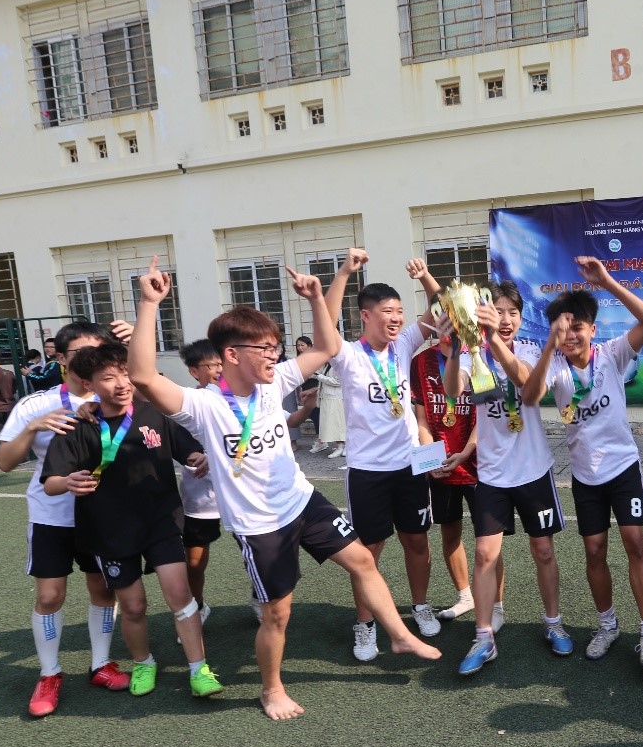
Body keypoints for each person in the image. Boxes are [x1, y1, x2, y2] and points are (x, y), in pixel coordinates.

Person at [128, 256, 440, 720]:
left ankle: (397, 634)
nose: (275, 356)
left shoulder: (276, 383)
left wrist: (316, 297)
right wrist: (149, 303)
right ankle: (271, 690)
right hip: (259, 524)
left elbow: (327, 345)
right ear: (232, 354)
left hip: (302, 500)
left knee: (362, 560)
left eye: (276, 347)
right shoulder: (202, 405)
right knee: (278, 613)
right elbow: (142, 376)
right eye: (265, 348)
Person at [42, 342, 223, 699]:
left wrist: (197, 457)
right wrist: (68, 482)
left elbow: (189, 449)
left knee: (180, 595)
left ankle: (199, 669)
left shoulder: (154, 413)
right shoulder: (78, 426)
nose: (122, 383)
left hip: (160, 522)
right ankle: (143, 662)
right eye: (109, 377)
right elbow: (50, 483)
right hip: (109, 531)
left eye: (125, 373)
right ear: (89, 384)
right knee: (133, 606)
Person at [522, 257, 643, 668]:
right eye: (563, 329)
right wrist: (549, 346)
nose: (571, 336)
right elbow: (530, 397)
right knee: (595, 551)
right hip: (585, 476)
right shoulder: (555, 366)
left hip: (623, 468)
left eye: (577, 327)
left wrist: (606, 281)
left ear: (592, 329)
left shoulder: (612, 353)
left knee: (636, 544)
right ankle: (607, 625)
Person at [0, 320, 135, 717]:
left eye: (99, 351)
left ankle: (101, 663)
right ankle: (49, 673)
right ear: (61, 357)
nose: (91, 358)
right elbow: (4, 462)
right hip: (51, 514)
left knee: (103, 590)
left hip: (102, 515)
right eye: (80, 353)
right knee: (49, 596)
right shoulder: (35, 404)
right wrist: (33, 427)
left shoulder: (121, 395)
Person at [322, 252, 447, 654]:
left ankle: (421, 606)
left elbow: (443, 308)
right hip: (367, 471)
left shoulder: (404, 343)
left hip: (410, 465)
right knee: (368, 553)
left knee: (417, 542)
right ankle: (365, 623)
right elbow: (325, 324)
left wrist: (425, 276)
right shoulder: (347, 355)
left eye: (399, 311)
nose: (396, 318)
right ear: (366, 315)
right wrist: (345, 272)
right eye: (387, 312)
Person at [445, 279, 570, 675]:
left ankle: (553, 622)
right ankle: (484, 637)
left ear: (520, 318)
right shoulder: (474, 354)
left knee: (543, 550)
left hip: (533, 470)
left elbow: (527, 387)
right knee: (485, 553)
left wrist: (492, 341)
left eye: (512, 312)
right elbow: (453, 391)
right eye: (497, 311)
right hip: (493, 474)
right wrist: (456, 349)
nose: (505, 319)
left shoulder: (530, 349)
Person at [411, 328, 479, 623]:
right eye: (444, 316)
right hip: (439, 465)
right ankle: (466, 596)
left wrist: (466, 452)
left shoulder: (479, 357)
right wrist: (430, 460)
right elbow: (422, 419)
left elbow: (487, 415)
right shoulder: (421, 361)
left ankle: (494, 604)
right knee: (449, 533)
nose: (451, 326)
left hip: (478, 463)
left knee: (488, 539)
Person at [177, 340, 225, 626]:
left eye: (221, 363)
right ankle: (197, 605)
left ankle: (260, 598)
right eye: (212, 365)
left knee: (255, 554)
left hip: (241, 494)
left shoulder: (239, 398)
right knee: (194, 561)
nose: (219, 370)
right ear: (194, 371)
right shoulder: (185, 404)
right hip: (200, 498)